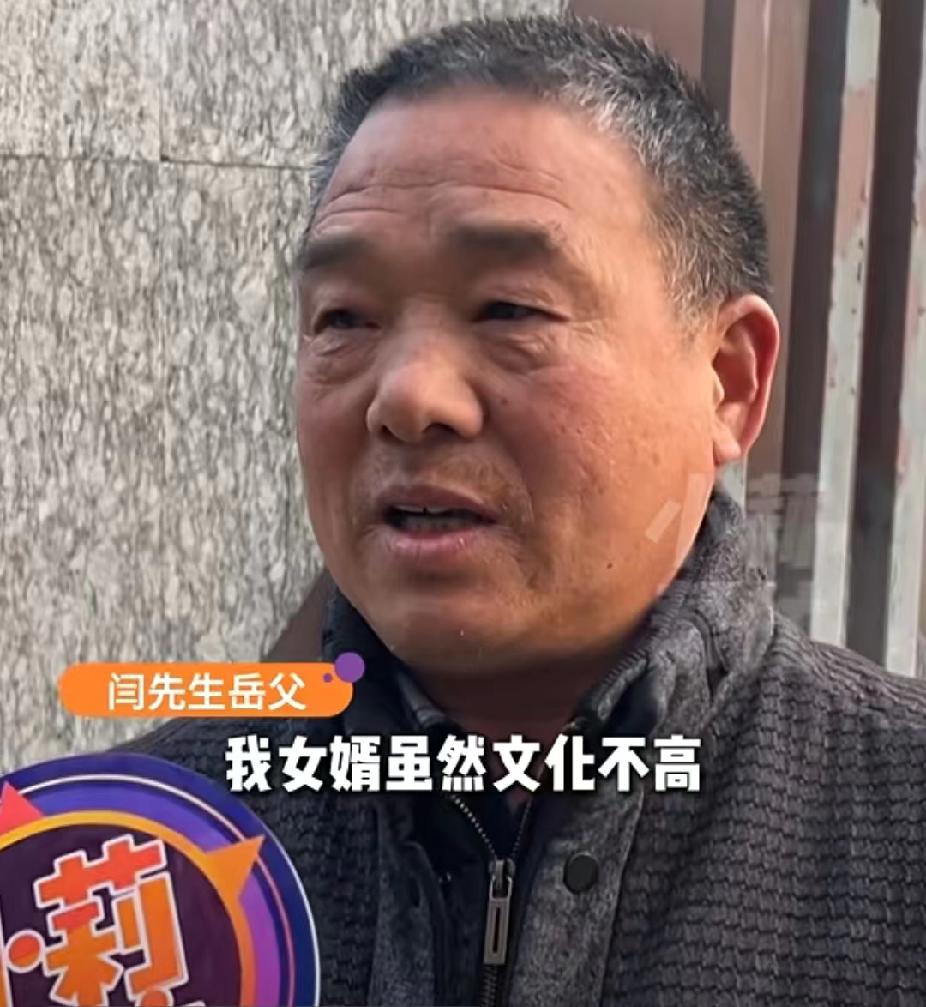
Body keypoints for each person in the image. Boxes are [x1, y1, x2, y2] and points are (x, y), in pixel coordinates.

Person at [131, 14, 926, 1006]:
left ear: (726, 382)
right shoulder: (139, 848)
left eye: (509, 309)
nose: (408, 396)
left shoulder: (898, 823)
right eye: (345, 317)